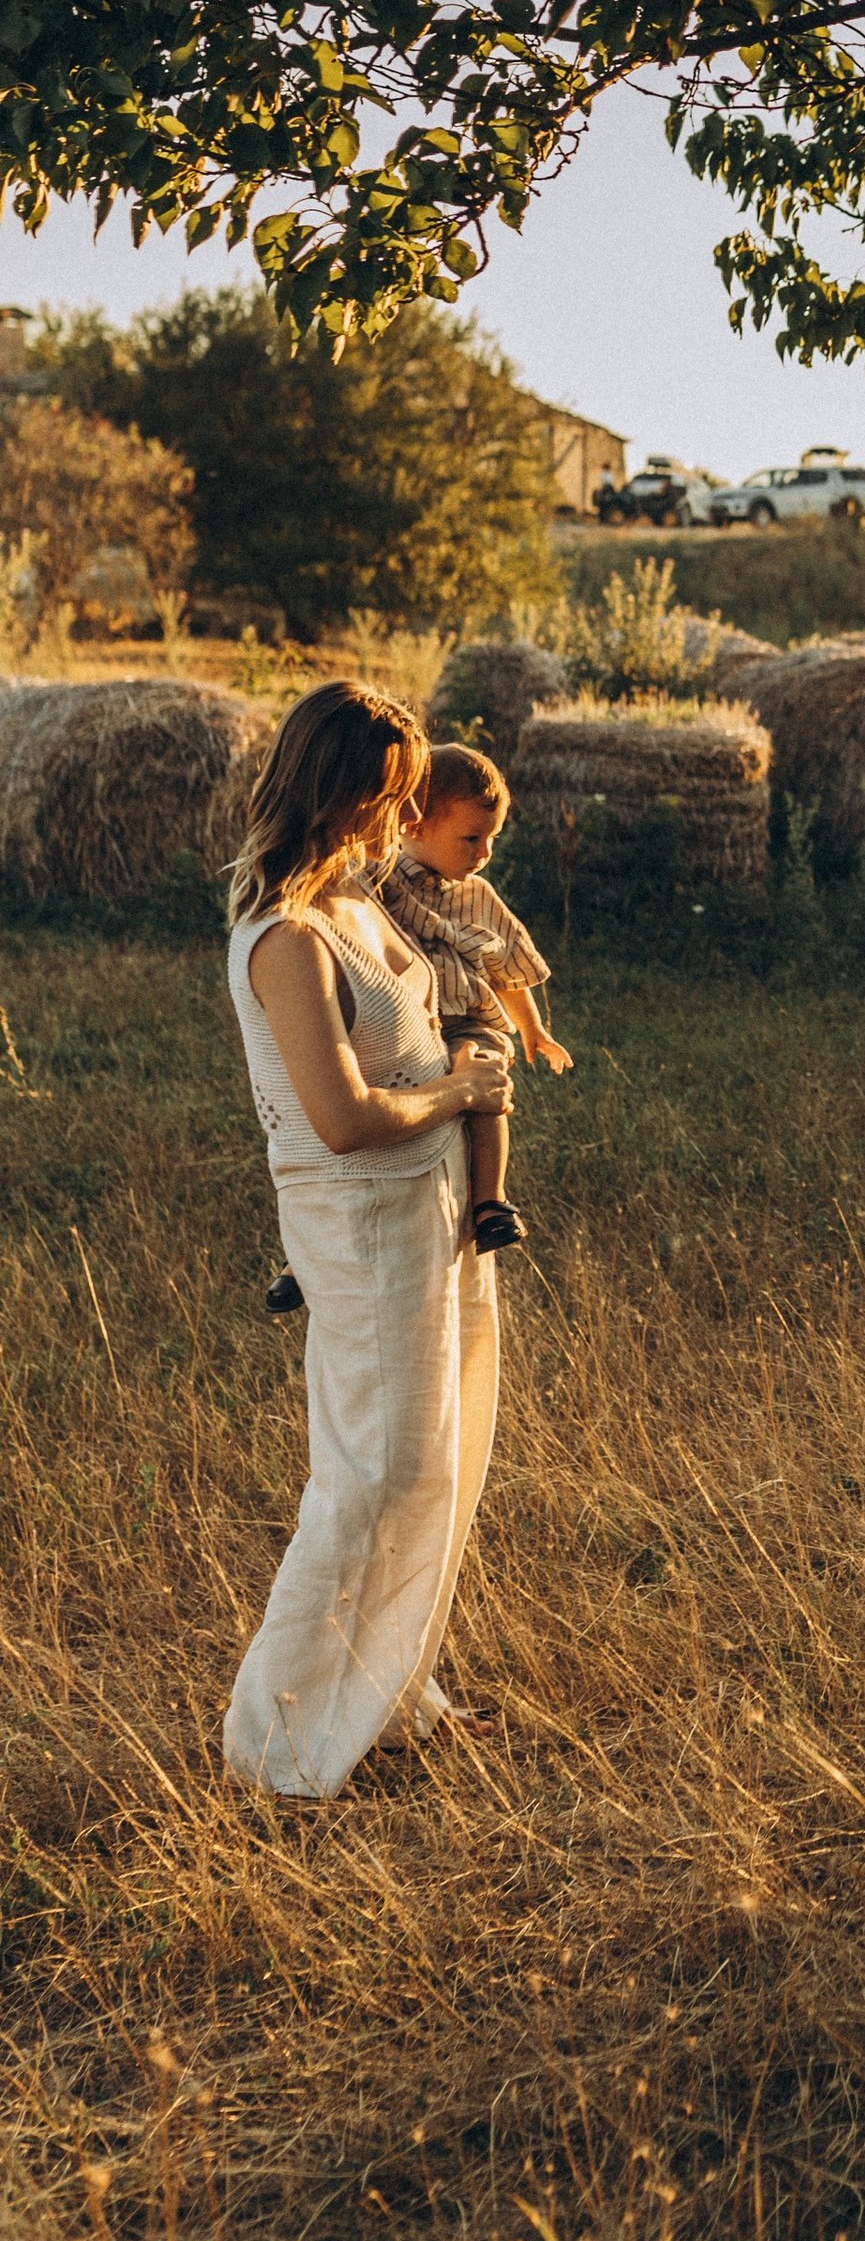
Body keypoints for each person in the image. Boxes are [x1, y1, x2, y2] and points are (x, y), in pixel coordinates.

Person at [224, 681, 513, 1797]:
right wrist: (456, 1091)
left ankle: (396, 1695)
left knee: (441, 1462)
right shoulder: (286, 938)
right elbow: (342, 1121)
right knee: (371, 1475)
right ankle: (273, 1742)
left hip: (430, 1212)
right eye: (387, 798)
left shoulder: (363, 903)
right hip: (361, 1221)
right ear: (337, 794)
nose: (403, 822)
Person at [371, 743, 571, 1256]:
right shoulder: (379, 881)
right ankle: (307, 1245)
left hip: (467, 1019)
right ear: (415, 824)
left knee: (484, 1081)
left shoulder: (480, 897)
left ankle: (490, 1202)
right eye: (471, 838)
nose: (484, 853)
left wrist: (533, 1031)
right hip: (404, 1020)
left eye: (492, 838)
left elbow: (508, 971)